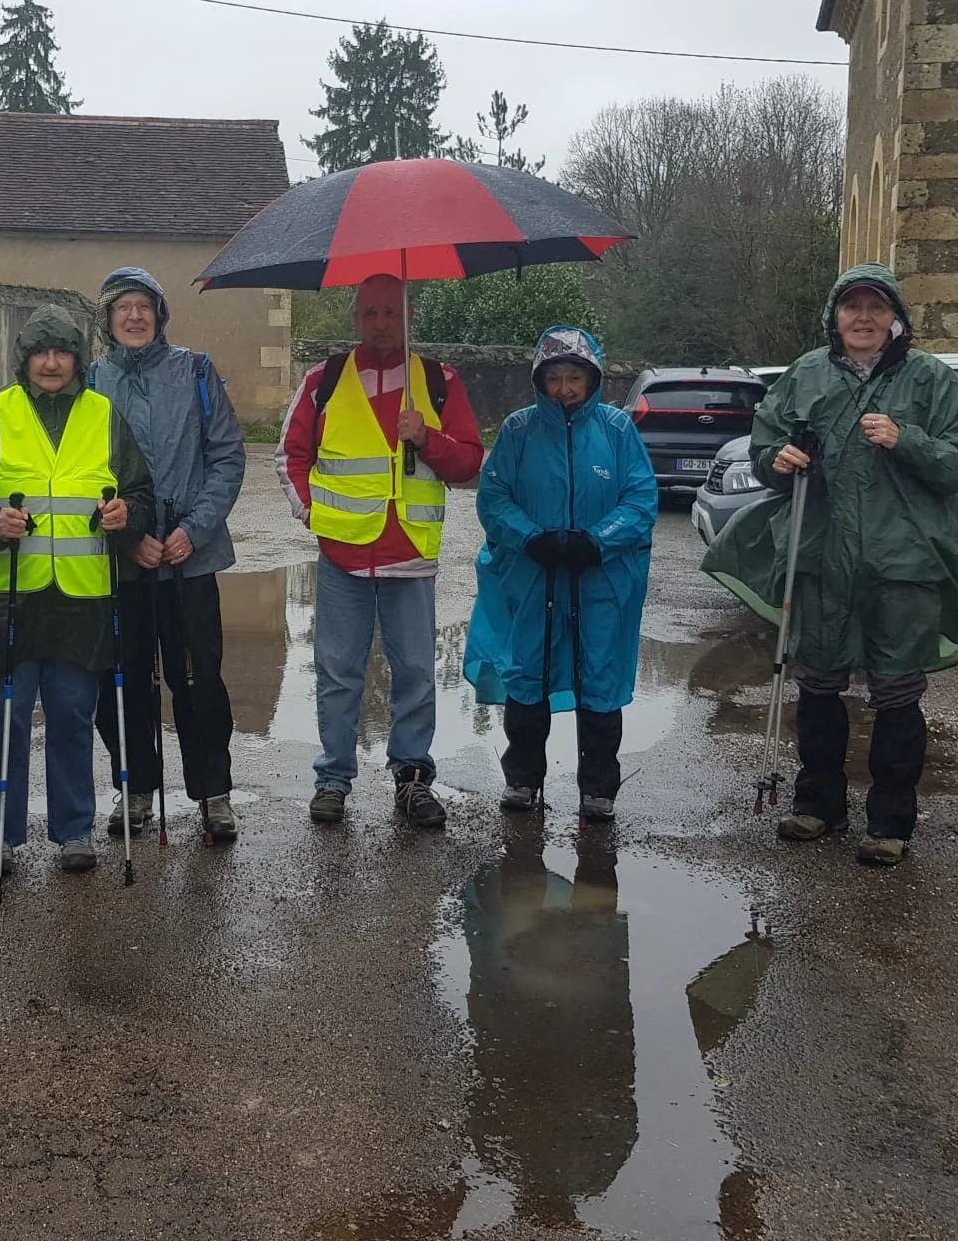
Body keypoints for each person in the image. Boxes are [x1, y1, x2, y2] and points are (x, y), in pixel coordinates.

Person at [703, 263, 958, 866]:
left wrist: (906, 439)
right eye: (852, 307)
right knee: (818, 682)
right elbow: (765, 448)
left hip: (902, 558)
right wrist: (776, 459)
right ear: (834, 317)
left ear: (896, 318)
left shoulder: (932, 380)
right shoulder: (805, 374)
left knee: (897, 689)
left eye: (877, 308)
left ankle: (890, 823)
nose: (864, 318)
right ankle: (819, 805)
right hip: (820, 554)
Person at [0, 305, 154, 877]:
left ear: (78, 359)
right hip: (9, 596)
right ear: (24, 359)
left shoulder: (105, 415)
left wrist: (125, 516)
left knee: (71, 716)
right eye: (40, 352)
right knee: (7, 720)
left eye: (62, 351)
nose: (50, 362)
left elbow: (141, 494)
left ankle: (74, 831)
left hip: (81, 600)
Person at [277, 273, 484, 826]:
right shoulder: (323, 380)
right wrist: (311, 514)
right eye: (370, 313)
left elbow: (469, 462)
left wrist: (427, 438)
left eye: (391, 312)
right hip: (342, 555)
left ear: (407, 317)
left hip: (410, 553)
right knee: (337, 672)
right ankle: (333, 780)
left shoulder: (438, 381)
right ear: (357, 319)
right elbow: (290, 456)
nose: (381, 323)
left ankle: (412, 779)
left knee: (415, 671)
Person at [464, 327, 657, 818]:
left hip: (600, 580)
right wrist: (531, 537)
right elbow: (494, 497)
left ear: (592, 379)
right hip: (534, 577)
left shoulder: (617, 430)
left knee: (599, 678)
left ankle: (598, 788)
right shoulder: (518, 430)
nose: (565, 389)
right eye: (555, 378)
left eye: (575, 377)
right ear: (540, 381)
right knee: (528, 675)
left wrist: (598, 540)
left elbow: (640, 498)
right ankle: (522, 780)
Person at [88, 267, 246, 844]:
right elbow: (83, 471)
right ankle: (135, 789)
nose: (134, 316)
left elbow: (227, 457)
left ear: (159, 314)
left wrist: (193, 531)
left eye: (144, 305)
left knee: (198, 680)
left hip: (189, 561)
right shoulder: (91, 381)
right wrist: (127, 537)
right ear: (107, 319)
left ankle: (213, 793)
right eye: (122, 306)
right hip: (121, 564)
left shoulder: (196, 371)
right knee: (123, 681)